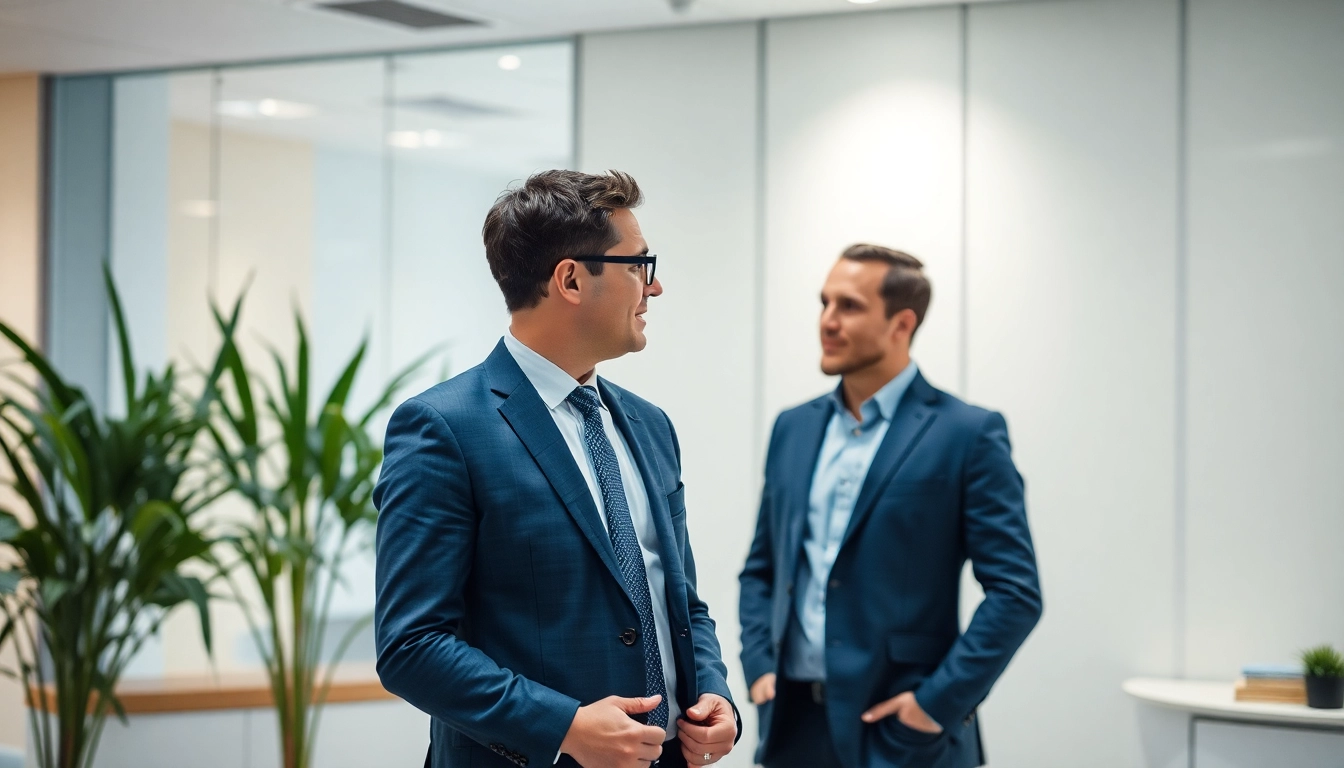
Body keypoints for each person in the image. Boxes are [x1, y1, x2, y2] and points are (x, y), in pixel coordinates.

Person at [374, 170, 739, 768]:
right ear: (571, 278)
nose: (654, 287)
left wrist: (714, 696)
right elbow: (413, 646)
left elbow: (681, 602)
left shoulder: (651, 427)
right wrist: (563, 725)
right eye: (637, 265)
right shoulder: (443, 428)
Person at [738, 244, 1042, 768]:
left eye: (849, 306)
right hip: (791, 728)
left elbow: (1016, 594)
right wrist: (759, 663)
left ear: (902, 323)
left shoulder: (967, 434)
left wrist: (934, 705)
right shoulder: (794, 427)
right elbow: (762, 569)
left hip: (901, 734)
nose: (827, 321)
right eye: (824, 303)